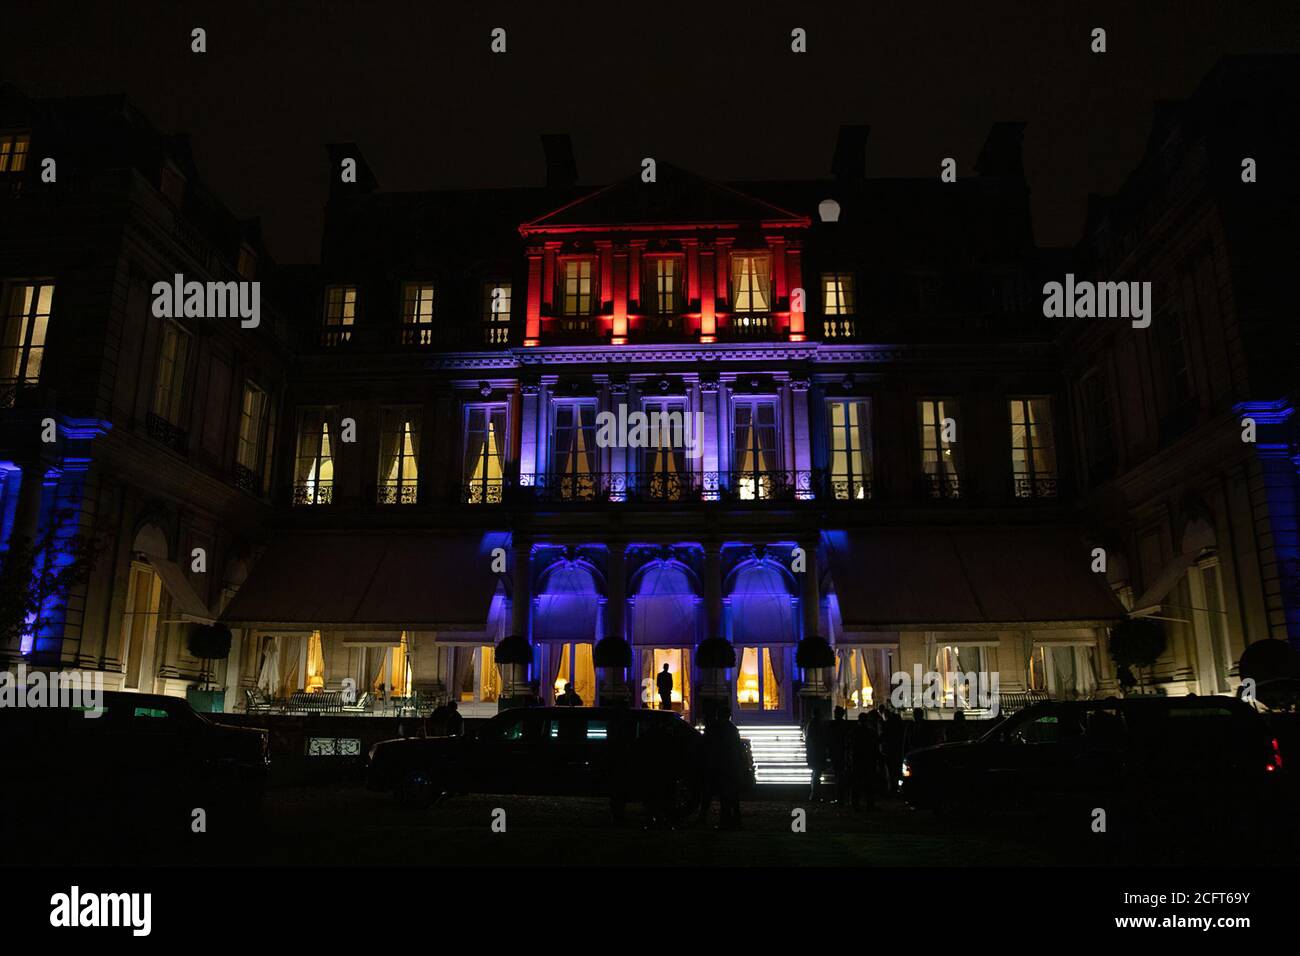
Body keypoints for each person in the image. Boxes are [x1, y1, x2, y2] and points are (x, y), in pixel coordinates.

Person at [851, 712, 879, 811]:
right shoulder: (870, 732)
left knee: (857, 784)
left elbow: (851, 746)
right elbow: (874, 746)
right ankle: (869, 804)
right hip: (868, 760)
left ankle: (855, 804)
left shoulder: (855, 731)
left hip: (858, 760)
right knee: (869, 784)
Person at [828, 706, 850, 804]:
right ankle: (843, 797)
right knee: (842, 775)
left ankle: (839, 797)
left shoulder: (832, 725)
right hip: (842, 753)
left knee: (838, 776)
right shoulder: (845, 725)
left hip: (836, 753)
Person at [805, 716, 827, 801]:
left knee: (815, 774)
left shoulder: (810, 725)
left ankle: (814, 794)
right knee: (817, 774)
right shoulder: (817, 725)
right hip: (817, 753)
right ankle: (815, 794)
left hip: (813, 753)